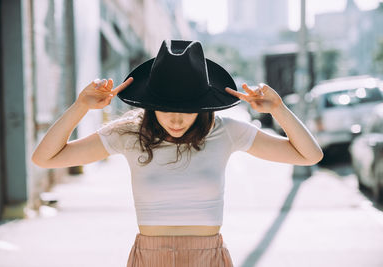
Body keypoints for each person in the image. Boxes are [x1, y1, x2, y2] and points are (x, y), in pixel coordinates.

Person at [31, 40, 324, 266]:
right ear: (150, 104)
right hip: (150, 257)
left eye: (187, 110)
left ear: (203, 106)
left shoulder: (226, 132)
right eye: (166, 109)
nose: (175, 119)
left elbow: (309, 156)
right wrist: (81, 106)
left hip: (207, 257)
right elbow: (44, 158)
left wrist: (279, 109)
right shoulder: (129, 133)